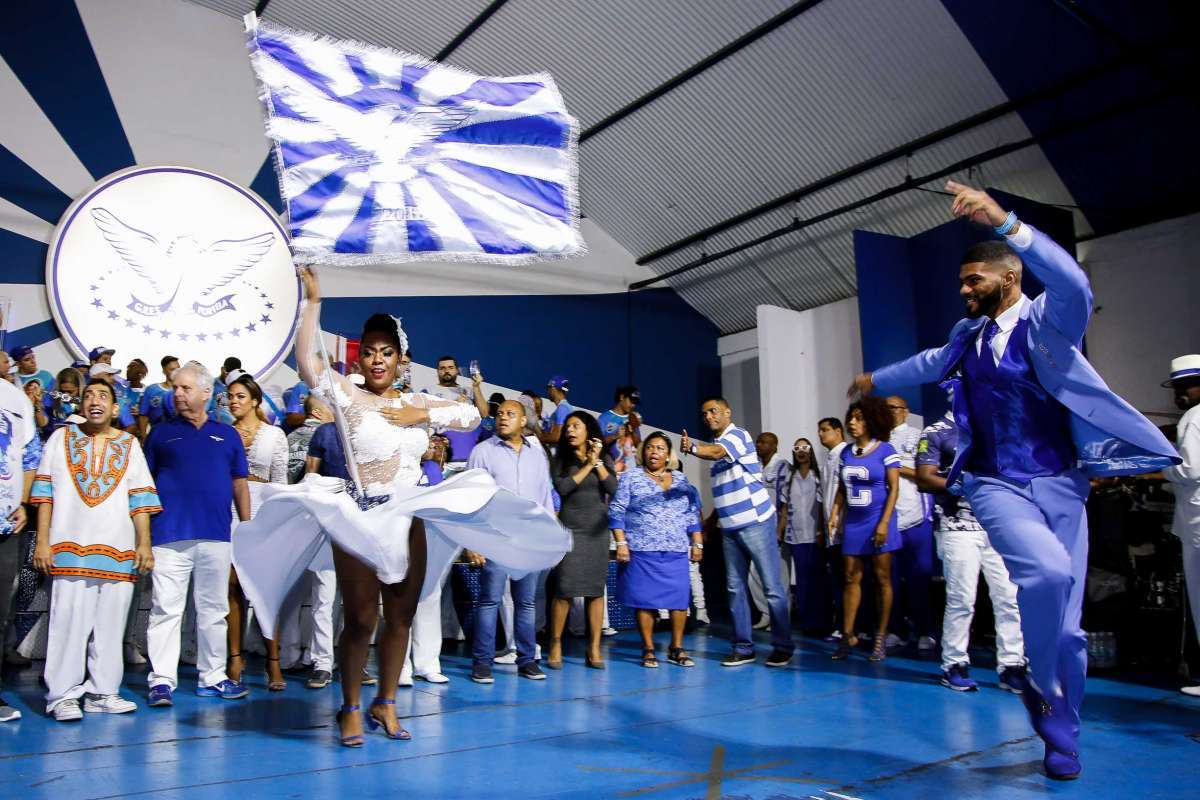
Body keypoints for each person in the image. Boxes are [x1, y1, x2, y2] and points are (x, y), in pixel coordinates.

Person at [850, 181, 1178, 779]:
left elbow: (1076, 284)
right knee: (1046, 572)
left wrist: (1006, 222)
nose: (964, 290)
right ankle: (1032, 673)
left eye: (973, 280)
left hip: (1060, 485)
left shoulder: (1048, 326)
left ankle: (1060, 729)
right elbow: (928, 362)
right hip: (994, 483)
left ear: (1008, 277)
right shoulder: (965, 338)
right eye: (961, 282)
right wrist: (877, 378)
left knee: (1071, 632)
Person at [233, 269, 568, 745]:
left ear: (401, 359)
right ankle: (350, 705)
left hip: (407, 514)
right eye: (369, 351)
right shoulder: (347, 396)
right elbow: (309, 363)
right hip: (360, 515)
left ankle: (385, 704)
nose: (376, 360)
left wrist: (424, 413)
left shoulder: (415, 400)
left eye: (385, 352)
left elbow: (473, 414)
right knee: (361, 619)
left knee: (402, 616)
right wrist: (313, 301)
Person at [30, 379, 160, 721]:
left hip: (119, 551)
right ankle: (62, 696)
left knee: (110, 625)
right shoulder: (60, 438)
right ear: (80, 404)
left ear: (116, 408)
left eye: (103, 395)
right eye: (88, 395)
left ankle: (103, 692)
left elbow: (141, 499)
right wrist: (43, 541)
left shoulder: (130, 445)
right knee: (68, 623)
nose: (94, 400)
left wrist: (143, 543)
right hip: (69, 548)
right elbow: (44, 494)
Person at [143, 361, 251, 706]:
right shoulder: (159, 434)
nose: (177, 393)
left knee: (213, 610)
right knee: (165, 610)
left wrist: (246, 532)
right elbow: (143, 487)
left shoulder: (228, 435)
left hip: (216, 536)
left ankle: (213, 677)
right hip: (168, 537)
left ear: (206, 393)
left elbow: (240, 484)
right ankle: (161, 681)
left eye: (185, 388)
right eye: (175, 387)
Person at [916, 408, 1027, 693]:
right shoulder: (936, 432)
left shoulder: (996, 428)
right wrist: (966, 486)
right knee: (962, 598)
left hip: (997, 526)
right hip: (957, 528)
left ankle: (1012, 666)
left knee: (1009, 598)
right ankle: (954, 663)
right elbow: (924, 478)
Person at [682, 397, 793, 667]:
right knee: (735, 589)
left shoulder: (737, 435)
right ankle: (744, 648)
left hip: (756, 522)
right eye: (704, 413)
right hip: (729, 528)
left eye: (713, 411)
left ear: (727, 412)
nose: (708, 416)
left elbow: (717, 452)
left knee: (772, 588)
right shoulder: (716, 449)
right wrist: (711, 521)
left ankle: (782, 646)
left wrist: (693, 447)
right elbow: (725, 490)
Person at [463, 399, 559, 683]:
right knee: (489, 601)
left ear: (523, 421)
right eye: (500, 413)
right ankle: (482, 662)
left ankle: (527, 660)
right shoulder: (482, 452)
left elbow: (544, 499)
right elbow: (469, 498)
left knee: (526, 603)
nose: (503, 417)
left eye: (510, 414)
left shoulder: (536, 455)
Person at [610, 432, 703, 667]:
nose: (654, 452)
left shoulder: (681, 479)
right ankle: (648, 648)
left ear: (668, 454)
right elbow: (616, 510)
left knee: (679, 600)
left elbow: (692, 513)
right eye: (650, 447)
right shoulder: (631, 477)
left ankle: (677, 647)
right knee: (645, 601)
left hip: (676, 549)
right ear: (643, 452)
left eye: (660, 448)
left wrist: (698, 542)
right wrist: (621, 543)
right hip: (642, 549)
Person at [224, 372, 288, 690]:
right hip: (230, 515)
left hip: (264, 515)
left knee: (265, 591)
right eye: (230, 396)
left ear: (255, 401)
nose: (234, 402)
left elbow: (280, 484)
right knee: (232, 587)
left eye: (240, 396)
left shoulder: (274, 436)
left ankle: (272, 661)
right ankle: (235, 658)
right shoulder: (223, 434)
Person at [828, 397, 902, 663]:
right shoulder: (846, 452)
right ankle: (848, 636)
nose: (852, 422)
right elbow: (841, 488)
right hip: (854, 522)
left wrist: (884, 523)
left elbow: (894, 488)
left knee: (882, 579)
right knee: (850, 578)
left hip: (879, 519)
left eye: (859, 418)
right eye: (851, 417)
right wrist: (834, 514)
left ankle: (880, 638)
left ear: (872, 420)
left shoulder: (886, 450)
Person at [546, 411, 617, 669]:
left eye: (576, 426)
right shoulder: (561, 459)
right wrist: (587, 464)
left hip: (597, 532)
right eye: (568, 427)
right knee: (564, 589)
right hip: (571, 530)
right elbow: (563, 488)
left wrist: (596, 462)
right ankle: (555, 642)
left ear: (589, 431)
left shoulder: (604, 458)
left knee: (596, 591)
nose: (570, 431)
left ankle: (594, 647)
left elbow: (613, 489)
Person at [0, 375, 40, 722]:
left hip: (5, 527)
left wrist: (24, 503)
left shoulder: (14, 398)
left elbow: (30, 456)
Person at [884, 396, 936, 651]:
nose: (889, 412)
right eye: (885, 409)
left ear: (905, 412)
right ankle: (895, 630)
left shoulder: (919, 437)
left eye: (893, 408)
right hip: (888, 521)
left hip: (917, 517)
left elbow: (927, 474)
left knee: (919, 578)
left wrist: (898, 468)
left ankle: (926, 630)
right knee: (889, 580)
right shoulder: (876, 440)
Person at [1162, 355, 1200, 696]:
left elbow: (1190, 470)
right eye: (1177, 386)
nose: (1181, 393)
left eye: (1186, 385)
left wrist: (1163, 464)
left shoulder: (1193, 418)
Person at [776, 437, 826, 631]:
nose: (801, 451)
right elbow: (784, 508)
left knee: (818, 579)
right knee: (803, 580)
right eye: (797, 448)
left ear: (811, 450)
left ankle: (821, 620)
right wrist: (779, 532)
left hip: (816, 534)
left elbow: (822, 506)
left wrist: (822, 530)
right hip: (795, 536)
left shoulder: (818, 474)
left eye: (805, 447)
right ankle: (807, 621)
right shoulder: (790, 477)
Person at [749, 432, 791, 629]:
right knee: (753, 574)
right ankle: (765, 613)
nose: (759, 445)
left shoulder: (782, 466)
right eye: (758, 441)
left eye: (764, 442)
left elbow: (785, 501)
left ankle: (781, 616)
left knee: (779, 575)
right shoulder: (754, 467)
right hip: (757, 528)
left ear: (775, 445)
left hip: (775, 528)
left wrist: (780, 530)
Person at [422, 355, 490, 476]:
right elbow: (422, 419)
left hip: (469, 462)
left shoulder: (469, 391)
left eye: (450, 367)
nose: (446, 371)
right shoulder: (427, 392)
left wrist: (476, 387)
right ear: (437, 371)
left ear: (457, 370)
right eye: (442, 368)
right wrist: (454, 407)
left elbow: (484, 413)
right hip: (442, 463)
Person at [817, 417, 848, 640]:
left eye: (825, 430)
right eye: (819, 431)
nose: (821, 434)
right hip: (831, 531)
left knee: (849, 579)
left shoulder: (846, 454)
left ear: (838, 431)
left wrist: (840, 520)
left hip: (845, 528)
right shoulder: (828, 458)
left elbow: (844, 492)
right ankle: (842, 624)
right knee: (837, 579)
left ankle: (853, 627)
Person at [287, 394, 333, 484]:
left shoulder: (289, 436)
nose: (337, 413)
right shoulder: (328, 436)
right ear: (317, 413)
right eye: (332, 408)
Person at [138, 355, 180, 439]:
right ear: (164, 371)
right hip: (157, 437)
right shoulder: (151, 390)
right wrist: (143, 437)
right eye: (172, 369)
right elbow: (143, 416)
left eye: (178, 369)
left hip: (179, 436)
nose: (176, 372)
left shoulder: (184, 391)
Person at [89, 364, 136, 434]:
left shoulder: (119, 402)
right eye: (108, 375)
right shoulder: (83, 400)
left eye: (112, 375)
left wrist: (112, 441)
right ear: (95, 376)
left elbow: (131, 427)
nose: (113, 378)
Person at [539, 376, 573, 446]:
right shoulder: (564, 408)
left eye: (548, 388)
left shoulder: (562, 409)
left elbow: (557, 437)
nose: (547, 391)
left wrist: (538, 439)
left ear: (553, 388)